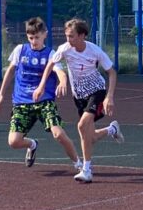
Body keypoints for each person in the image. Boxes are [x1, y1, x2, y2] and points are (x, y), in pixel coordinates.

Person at [33, 18, 123, 183]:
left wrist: (109, 97)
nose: (68, 39)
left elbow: (112, 72)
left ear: (82, 35)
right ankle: (112, 129)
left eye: (72, 36)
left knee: (81, 126)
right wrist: (41, 86)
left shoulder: (95, 51)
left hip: (97, 92)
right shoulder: (65, 49)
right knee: (90, 137)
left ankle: (86, 170)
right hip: (79, 97)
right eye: (67, 36)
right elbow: (50, 65)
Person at [0, 17, 80, 169]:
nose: (34, 41)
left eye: (37, 37)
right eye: (31, 38)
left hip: (44, 101)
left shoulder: (50, 53)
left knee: (59, 134)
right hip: (22, 102)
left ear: (45, 34)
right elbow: (10, 71)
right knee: (13, 142)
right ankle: (32, 144)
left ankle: (80, 165)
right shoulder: (20, 50)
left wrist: (62, 82)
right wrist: (1, 95)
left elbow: (60, 71)